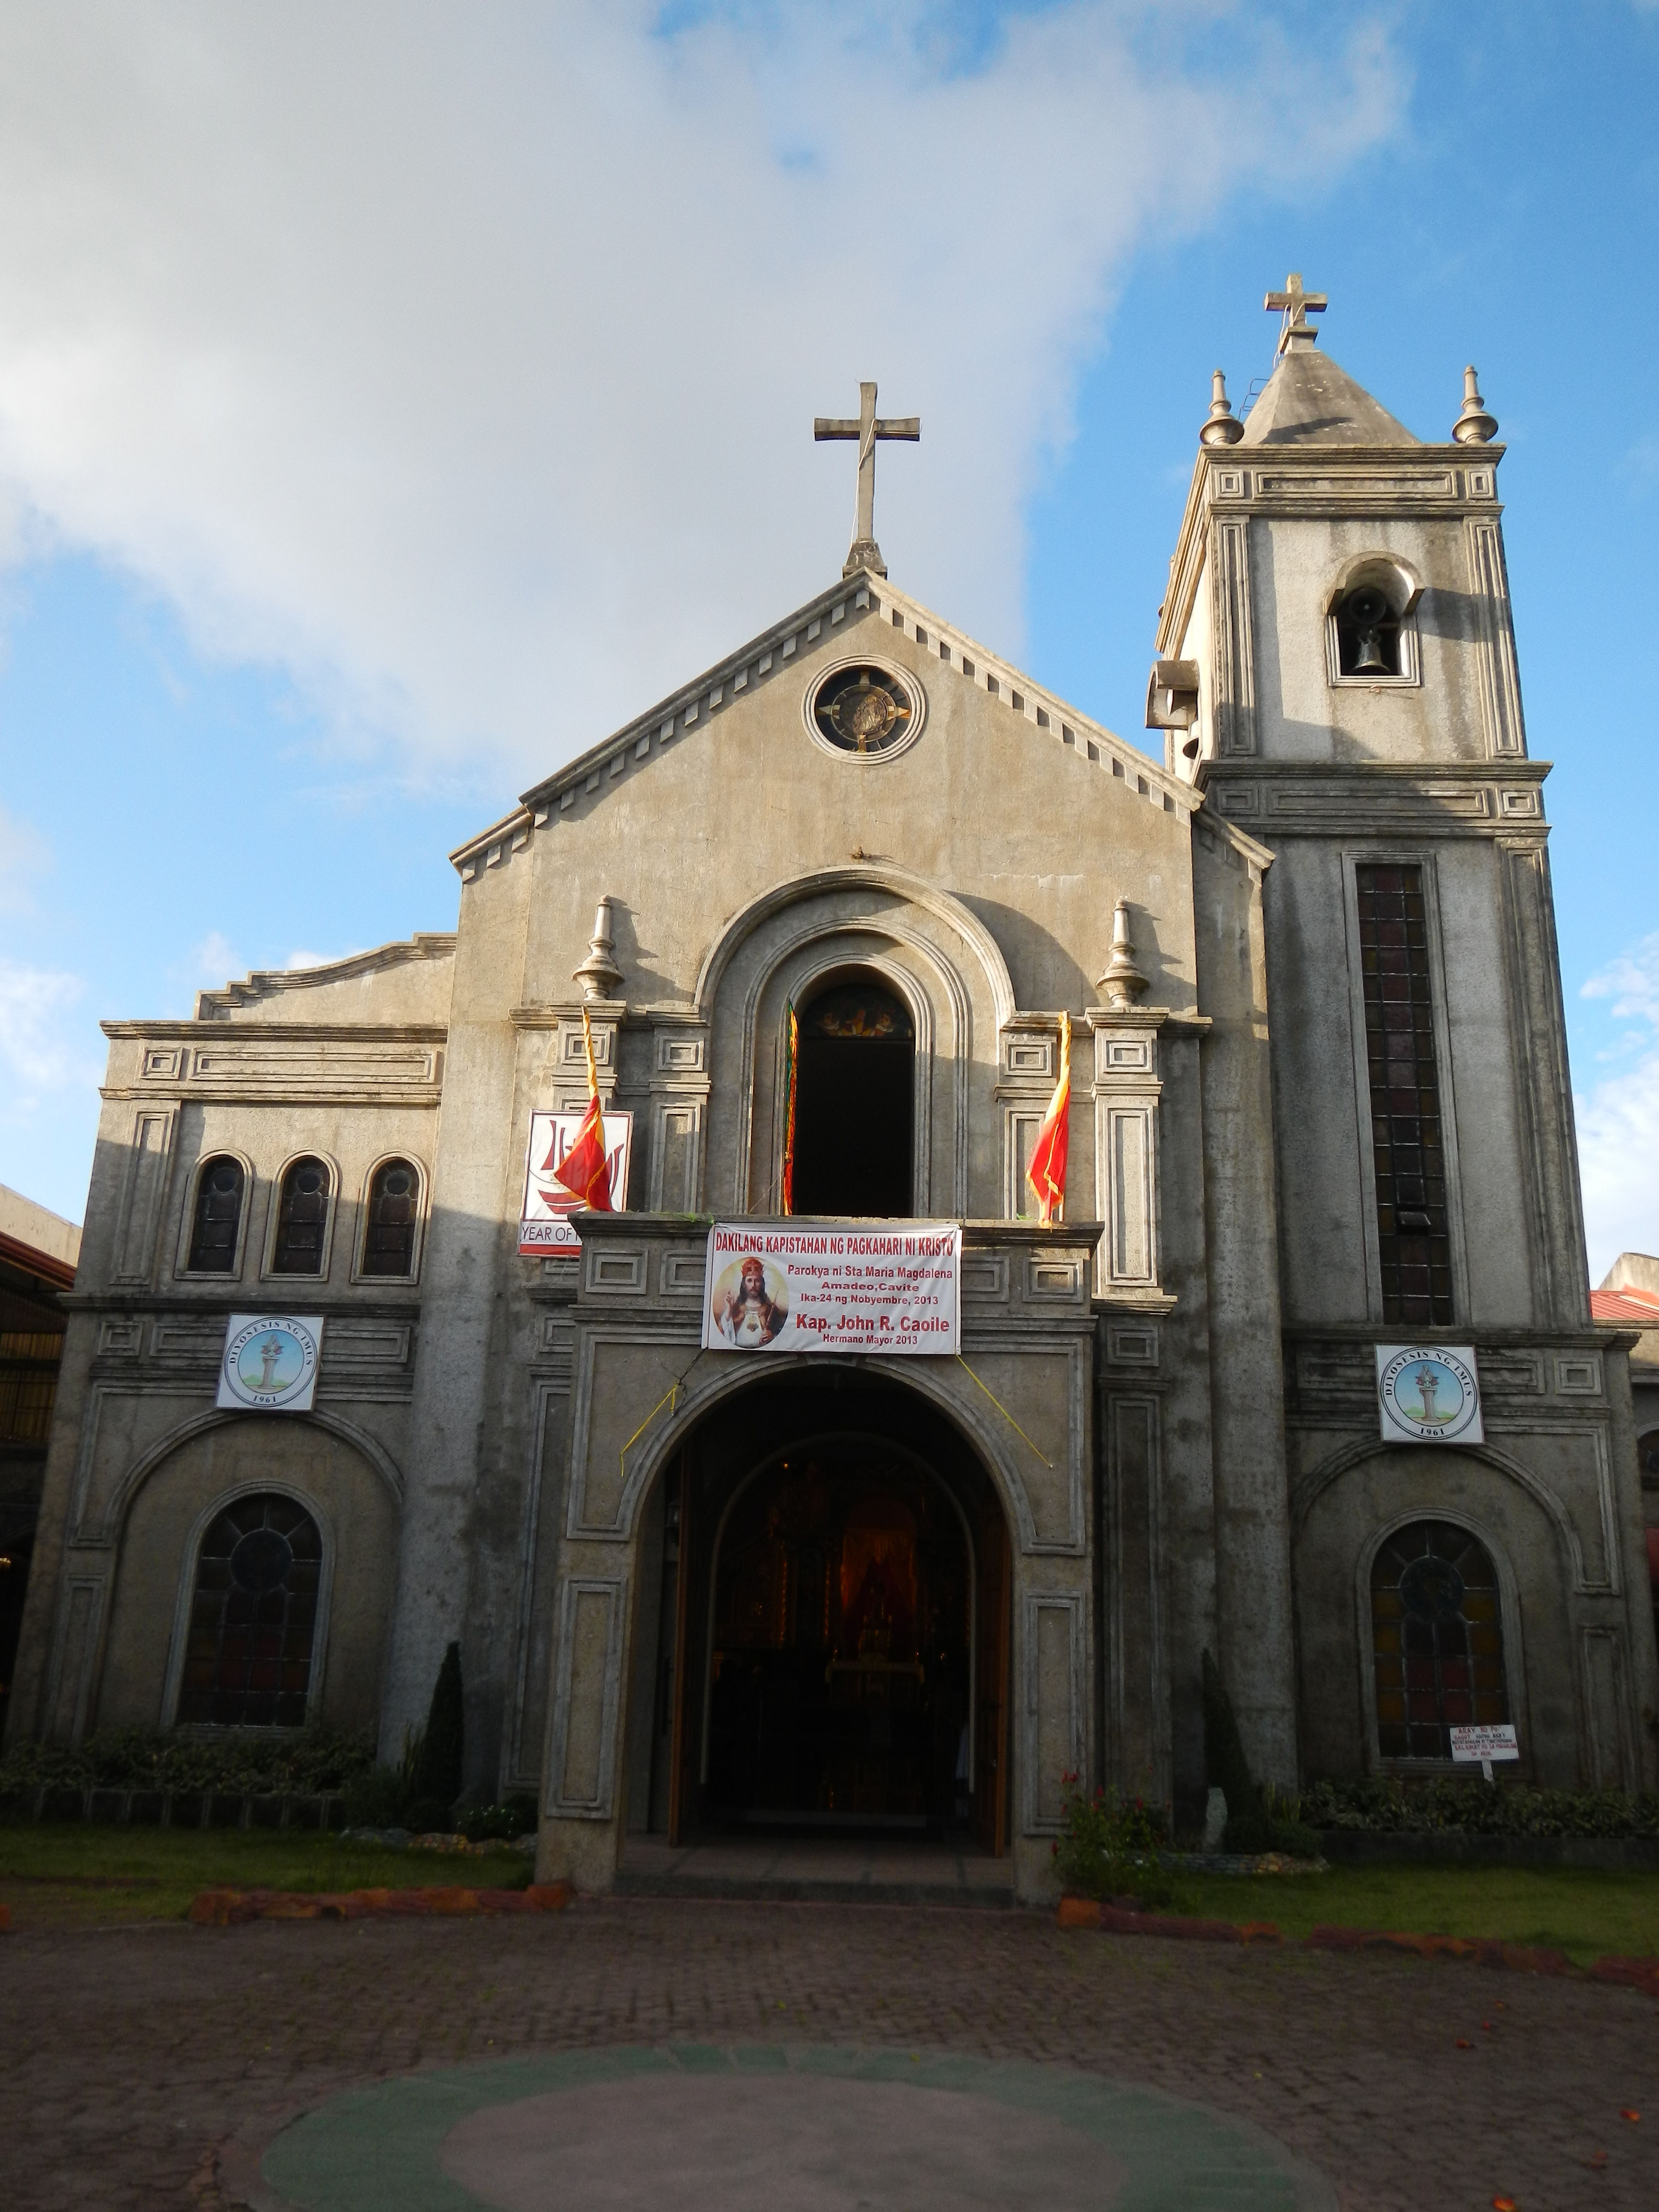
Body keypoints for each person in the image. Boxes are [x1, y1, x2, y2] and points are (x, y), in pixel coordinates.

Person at [714, 1255, 787, 1346]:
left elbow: (782, 1336)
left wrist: (771, 1337)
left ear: (762, 1284)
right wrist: (728, 1312)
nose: (753, 1285)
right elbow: (724, 1334)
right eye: (749, 1281)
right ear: (744, 1284)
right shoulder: (735, 1309)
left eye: (757, 1281)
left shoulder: (771, 1310)